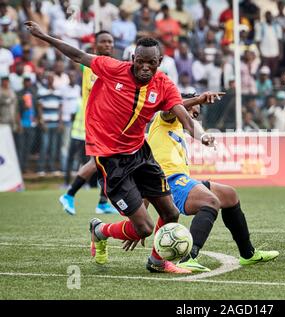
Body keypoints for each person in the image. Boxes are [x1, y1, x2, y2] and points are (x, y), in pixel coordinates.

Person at [24, 21, 216, 274]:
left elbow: (184, 116)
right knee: (144, 229)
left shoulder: (164, 85)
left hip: (140, 153)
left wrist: (200, 136)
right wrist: (44, 36)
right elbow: (78, 54)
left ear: (160, 62)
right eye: (141, 61)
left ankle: (157, 262)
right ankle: (99, 230)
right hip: (111, 159)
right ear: (133, 58)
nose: (146, 67)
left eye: (152, 63)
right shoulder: (112, 68)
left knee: (170, 213)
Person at [142, 93, 279, 272]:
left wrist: (204, 137)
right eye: (190, 111)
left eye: (196, 114)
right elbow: (171, 109)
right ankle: (188, 257)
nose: (192, 116)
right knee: (211, 202)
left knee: (229, 195)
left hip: (182, 180)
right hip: (168, 181)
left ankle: (248, 254)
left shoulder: (179, 130)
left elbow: (195, 127)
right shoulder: (164, 119)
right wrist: (198, 100)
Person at [59, 31, 118, 215]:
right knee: (97, 162)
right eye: (103, 41)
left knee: (110, 162)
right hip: (95, 123)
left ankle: (102, 202)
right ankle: (69, 194)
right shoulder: (90, 67)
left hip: (108, 124)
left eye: (110, 41)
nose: (108, 44)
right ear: (95, 46)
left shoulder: (114, 66)